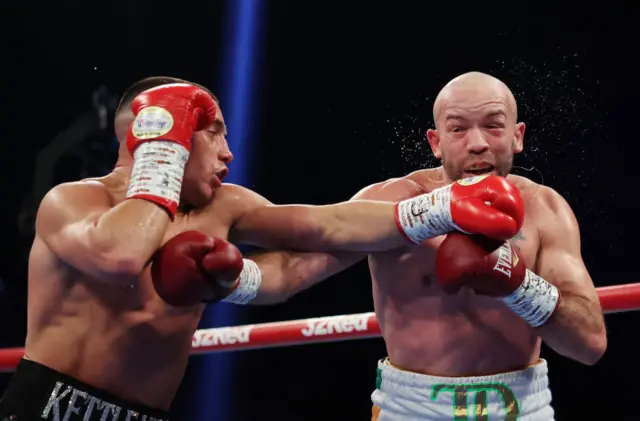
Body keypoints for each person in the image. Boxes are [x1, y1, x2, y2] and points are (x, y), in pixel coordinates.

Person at [0, 76, 523, 421]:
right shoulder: (70, 202)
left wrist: (441, 208)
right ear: (169, 136)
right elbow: (119, 257)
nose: (230, 152)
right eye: (213, 133)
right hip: (49, 406)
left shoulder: (224, 206)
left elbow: (331, 224)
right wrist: (160, 154)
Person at [242, 72, 608, 420]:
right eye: (458, 129)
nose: (477, 142)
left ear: (518, 136)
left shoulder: (545, 210)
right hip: (409, 409)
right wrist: (232, 278)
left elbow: (589, 342)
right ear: (436, 142)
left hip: (521, 408)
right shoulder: (389, 202)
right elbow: (292, 270)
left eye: (494, 125)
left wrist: (519, 286)